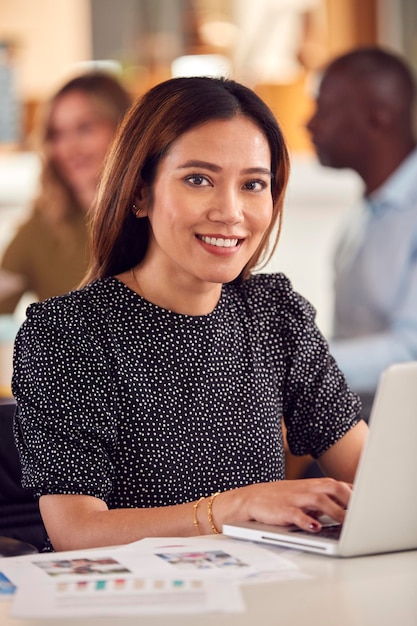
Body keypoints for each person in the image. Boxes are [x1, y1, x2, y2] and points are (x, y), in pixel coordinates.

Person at [12, 76, 368, 552]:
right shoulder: (68, 332)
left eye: (253, 184)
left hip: (261, 594)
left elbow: (373, 477)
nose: (231, 211)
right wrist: (235, 508)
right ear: (140, 193)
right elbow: (77, 531)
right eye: (198, 179)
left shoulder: (276, 313)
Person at [306, 46, 417, 416]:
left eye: (326, 108)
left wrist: (296, 361)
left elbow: (410, 351)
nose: (310, 124)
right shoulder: (365, 209)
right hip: (360, 430)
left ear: (378, 116)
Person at [0, 71, 132, 314]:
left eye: (84, 128)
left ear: (123, 129)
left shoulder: (157, 218)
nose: (68, 148)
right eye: (57, 134)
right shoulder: (43, 227)